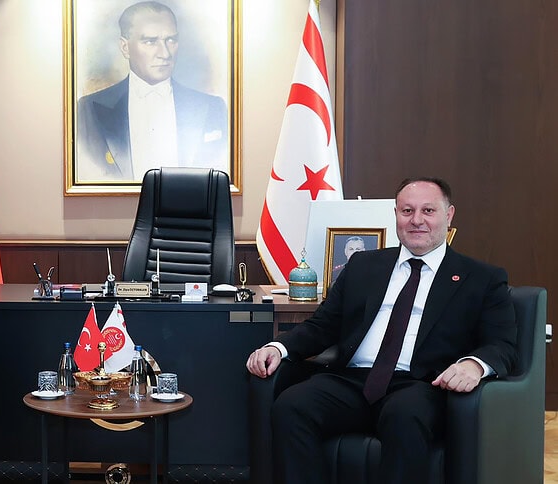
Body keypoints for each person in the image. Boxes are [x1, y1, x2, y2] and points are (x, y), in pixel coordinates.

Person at [245, 177, 516, 484]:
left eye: (428, 211)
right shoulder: (363, 265)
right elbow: (323, 325)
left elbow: (503, 344)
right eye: (407, 211)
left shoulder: (481, 278)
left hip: (421, 386)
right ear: (396, 214)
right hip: (353, 381)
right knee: (292, 406)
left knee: (404, 415)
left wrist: (473, 365)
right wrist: (278, 347)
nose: (416, 220)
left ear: (449, 215)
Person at [76, 1, 229, 182]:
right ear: (125, 47)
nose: (165, 53)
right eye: (150, 41)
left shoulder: (212, 107)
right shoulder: (89, 109)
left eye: (171, 40)